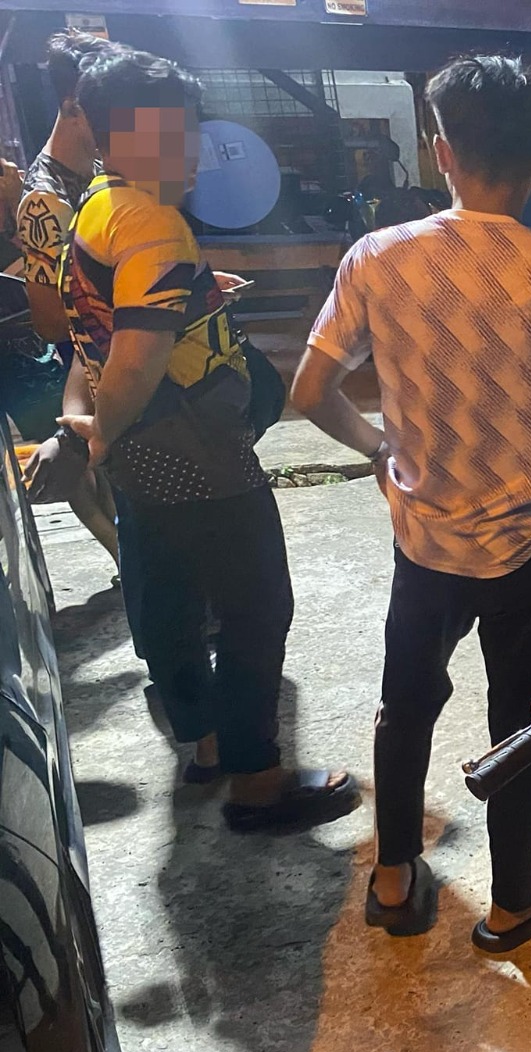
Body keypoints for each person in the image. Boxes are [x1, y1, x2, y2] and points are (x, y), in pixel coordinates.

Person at [291, 54, 531, 950]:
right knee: (527, 720)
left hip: (425, 544)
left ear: (440, 151)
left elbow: (310, 390)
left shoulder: (378, 257)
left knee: (405, 703)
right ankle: (514, 902)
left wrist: (378, 450)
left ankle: (394, 876)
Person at [57, 47, 354, 824]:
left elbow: (107, 323)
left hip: (149, 459)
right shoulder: (151, 222)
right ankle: (258, 782)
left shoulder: (101, 204)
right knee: (257, 608)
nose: (191, 150)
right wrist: (101, 431)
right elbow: (134, 357)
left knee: (171, 598)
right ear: (126, 135)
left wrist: (192, 298)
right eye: (174, 132)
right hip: (195, 455)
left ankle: (210, 743)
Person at [14, 31, 127, 569]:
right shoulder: (44, 199)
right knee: (96, 473)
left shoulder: (97, 171)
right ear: (73, 106)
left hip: (117, 347)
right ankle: (126, 560)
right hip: (83, 361)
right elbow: (53, 324)